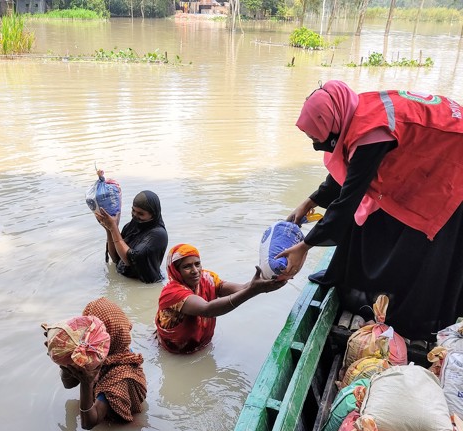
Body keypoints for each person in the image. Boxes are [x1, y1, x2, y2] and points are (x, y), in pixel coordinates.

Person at [278, 80, 463, 341]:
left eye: (315, 137)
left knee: (419, 235)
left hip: (452, 160)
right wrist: (310, 202)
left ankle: (415, 321)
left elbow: (348, 199)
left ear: (331, 123)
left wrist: (305, 246)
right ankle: (356, 288)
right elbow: (348, 168)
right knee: (365, 219)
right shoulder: (353, 110)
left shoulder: (371, 131)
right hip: (430, 150)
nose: (316, 144)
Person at [155, 243, 286, 354]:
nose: (195, 271)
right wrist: (253, 290)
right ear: (175, 271)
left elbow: (241, 288)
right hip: (174, 353)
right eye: (187, 266)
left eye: (197, 264)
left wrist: (267, 281)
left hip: (200, 347)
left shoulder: (207, 278)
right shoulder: (171, 293)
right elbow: (207, 310)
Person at [43, 297, 147, 429]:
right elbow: (68, 384)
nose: (87, 334)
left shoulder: (121, 377)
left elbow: (88, 423)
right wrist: (63, 356)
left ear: (109, 337)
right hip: (96, 403)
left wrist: (86, 384)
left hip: (115, 425)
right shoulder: (95, 353)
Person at [95, 185, 168, 284]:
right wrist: (109, 230)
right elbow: (116, 258)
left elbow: (130, 259)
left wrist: (114, 228)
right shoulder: (131, 226)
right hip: (124, 280)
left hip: (145, 286)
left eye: (141, 214)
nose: (135, 215)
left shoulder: (158, 234)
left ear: (153, 214)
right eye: (133, 210)